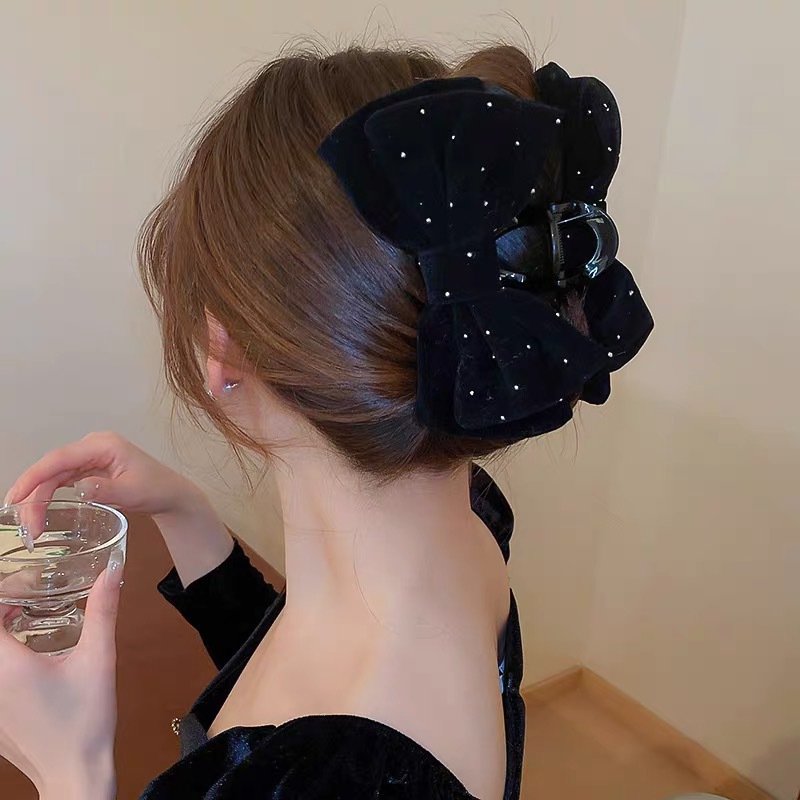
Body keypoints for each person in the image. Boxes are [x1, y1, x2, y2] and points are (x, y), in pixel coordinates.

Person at [0, 42, 652, 800]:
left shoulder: (345, 765)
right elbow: (295, 704)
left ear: (220, 347)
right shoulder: (465, 533)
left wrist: (69, 771)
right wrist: (186, 513)